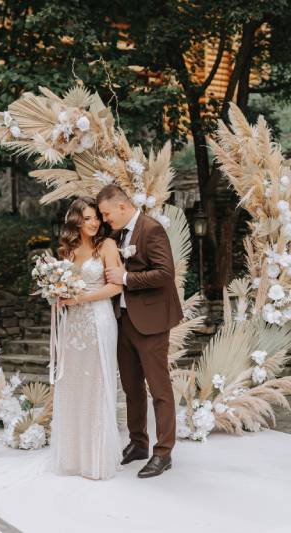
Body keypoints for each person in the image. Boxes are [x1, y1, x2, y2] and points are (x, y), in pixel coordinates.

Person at [97, 184, 183, 479]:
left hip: (151, 322)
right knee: (131, 387)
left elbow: (165, 273)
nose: (105, 219)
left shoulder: (151, 229)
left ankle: (164, 452)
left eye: (106, 214)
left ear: (122, 206)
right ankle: (138, 443)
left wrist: (126, 277)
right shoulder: (117, 235)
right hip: (122, 320)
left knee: (159, 389)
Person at [50, 196, 123, 480]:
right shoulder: (67, 250)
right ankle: (73, 459)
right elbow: (63, 284)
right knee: (73, 384)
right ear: (76, 221)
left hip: (98, 321)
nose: (94, 223)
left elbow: (115, 288)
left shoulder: (107, 245)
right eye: (88, 218)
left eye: (96, 217)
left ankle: (96, 460)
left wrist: (82, 298)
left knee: (97, 384)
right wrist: (58, 295)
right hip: (73, 325)